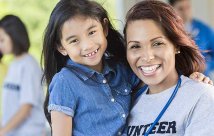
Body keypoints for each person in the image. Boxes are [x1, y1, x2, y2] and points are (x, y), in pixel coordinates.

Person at [42, 0, 212, 135]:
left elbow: (163, 77)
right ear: (61, 47)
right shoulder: (66, 81)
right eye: (135, 46)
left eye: (157, 43)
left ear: (105, 28)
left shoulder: (121, 71)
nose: (87, 45)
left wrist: (193, 77)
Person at [124, 0, 214, 135]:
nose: (147, 56)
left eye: (157, 43)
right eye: (135, 46)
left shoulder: (201, 96)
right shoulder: (126, 103)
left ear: (176, 46)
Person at [0, 15, 45, 136]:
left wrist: (2, 131)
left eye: (2, 40)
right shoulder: (14, 64)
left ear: (14, 35)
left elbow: (26, 107)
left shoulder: (29, 65)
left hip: (29, 132)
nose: (0, 45)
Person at [169, 0, 214, 80]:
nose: (186, 12)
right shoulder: (168, 31)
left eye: (188, 7)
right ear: (172, 10)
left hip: (201, 79)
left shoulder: (205, 29)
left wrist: (206, 66)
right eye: (181, 9)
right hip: (176, 81)